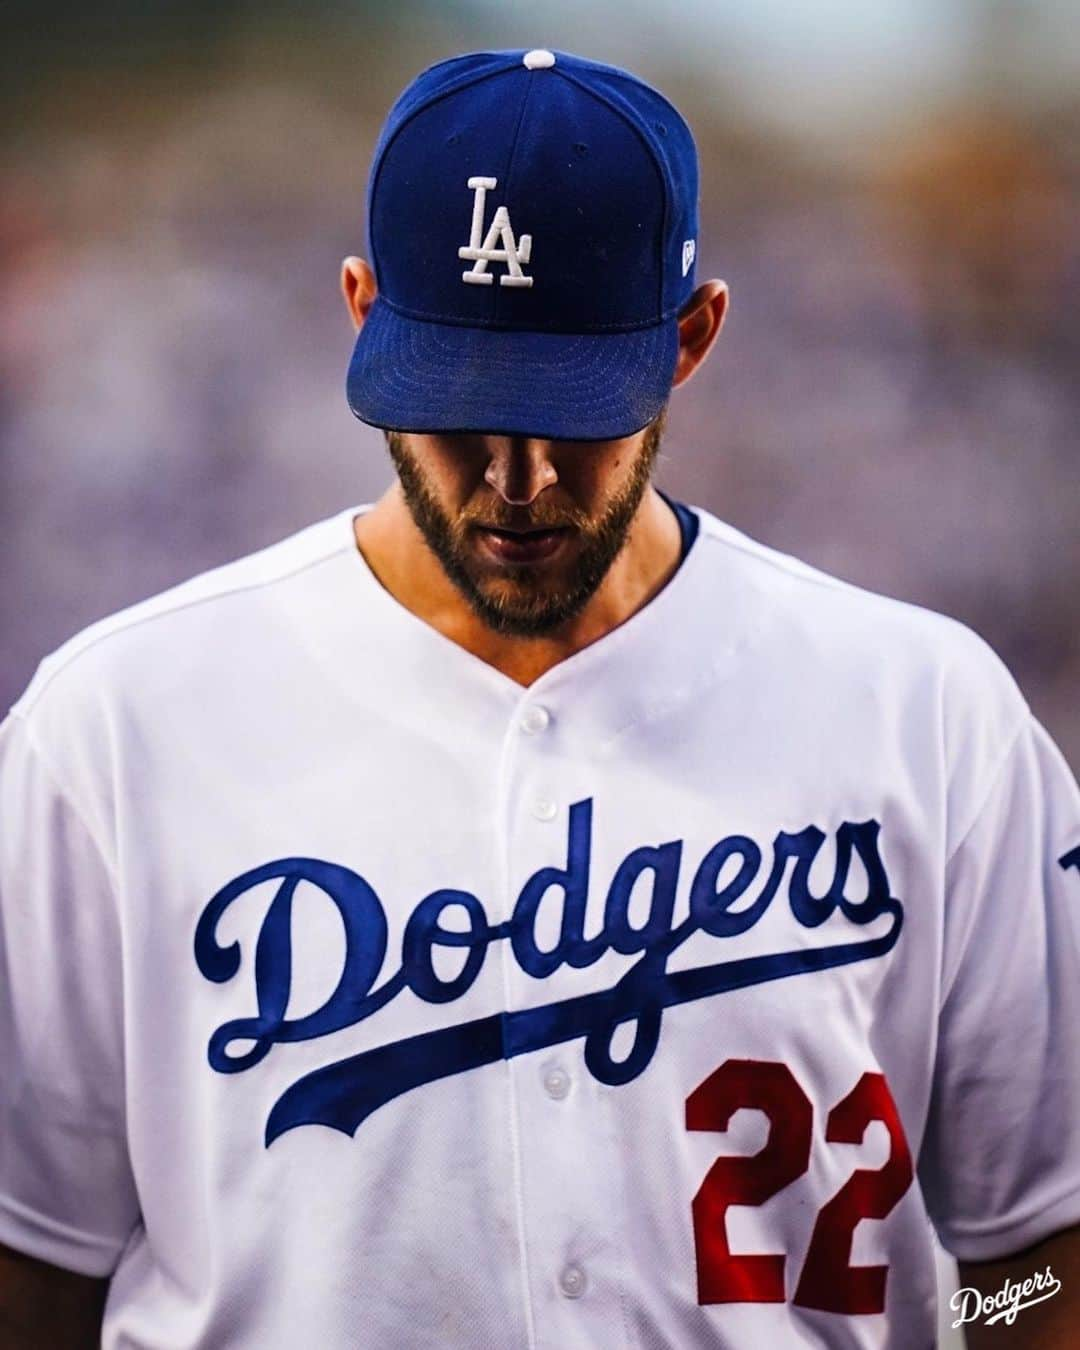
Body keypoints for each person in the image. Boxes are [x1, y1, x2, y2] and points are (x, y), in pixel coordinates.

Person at [1, 47, 1079, 1350]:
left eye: (573, 417)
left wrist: (962, 1318)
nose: (517, 481)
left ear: (692, 339)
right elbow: (33, 1268)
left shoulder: (930, 716)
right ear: (361, 313)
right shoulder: (114, 728)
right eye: (460, 412)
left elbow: (1038, 1254)